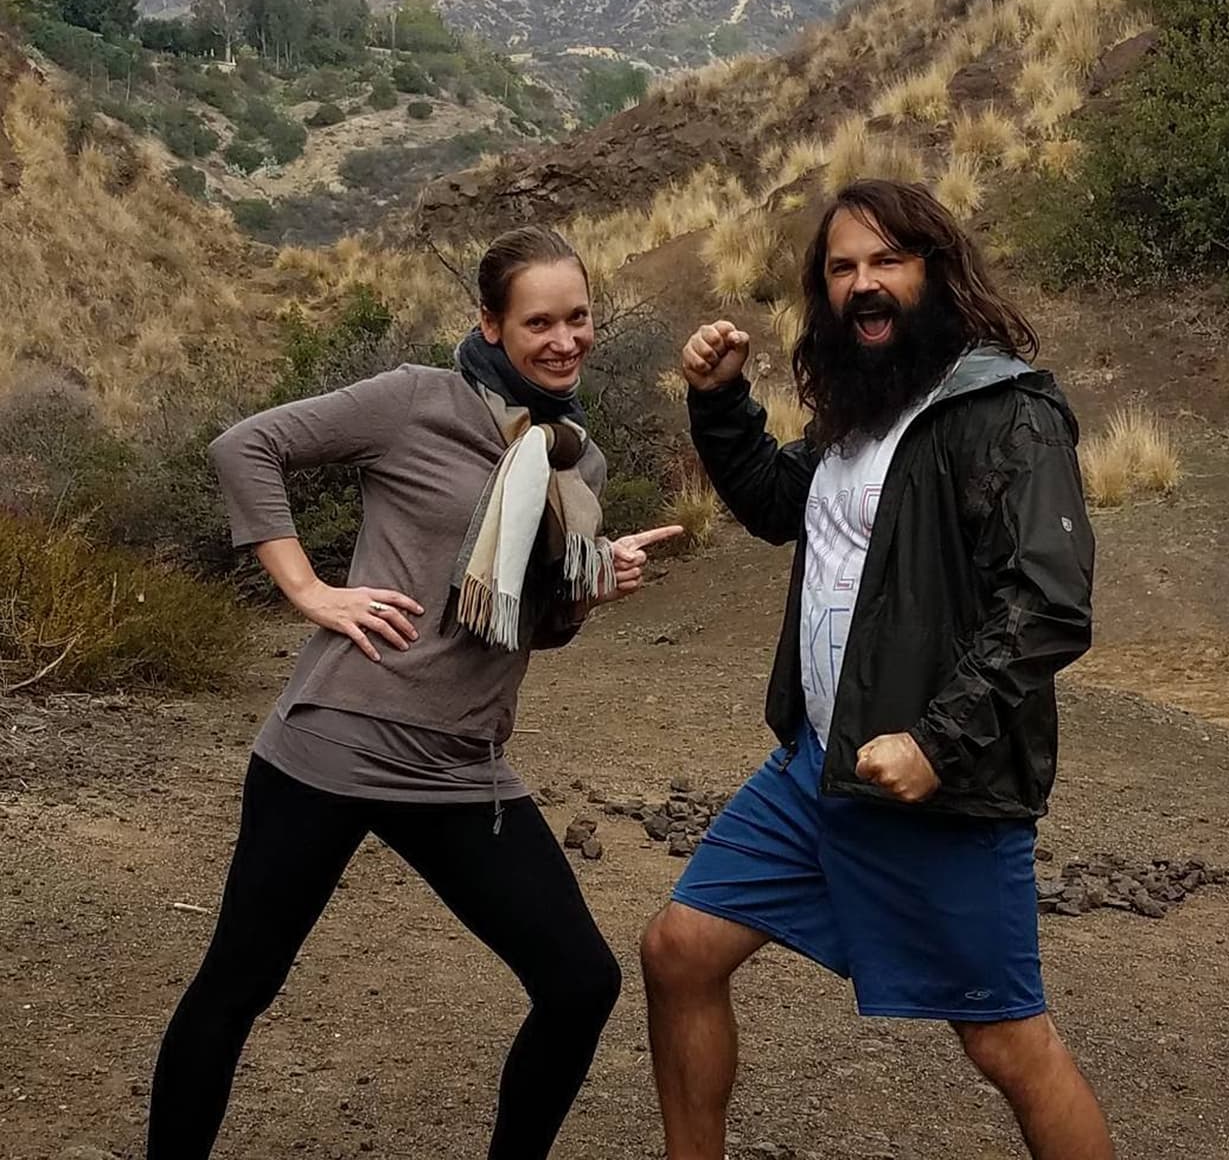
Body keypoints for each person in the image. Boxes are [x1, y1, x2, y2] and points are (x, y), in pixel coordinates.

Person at [147, 226, 679, 1160]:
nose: (565, 341)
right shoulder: (415, 402)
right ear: (490, 323)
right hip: (334, 747)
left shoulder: (573, 464)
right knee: (240, 982)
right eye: (539, 321)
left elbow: (534, 629)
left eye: (579, 318)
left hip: (460, 764)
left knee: (578, 981)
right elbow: (247, 446)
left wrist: (590, 587)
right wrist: (310, 589)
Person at [641, 180, 1112, 1160]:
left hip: (940, 792)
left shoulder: (1003, 411)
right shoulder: (861, 408)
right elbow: (781, 506)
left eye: (884, 261)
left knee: (1005, 1041)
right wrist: (720, 401)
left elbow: (1046, 603)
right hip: (818, 770)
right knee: (678, 948)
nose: (861, 284)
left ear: (935, 271)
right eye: (841, 266)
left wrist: (937, 741)